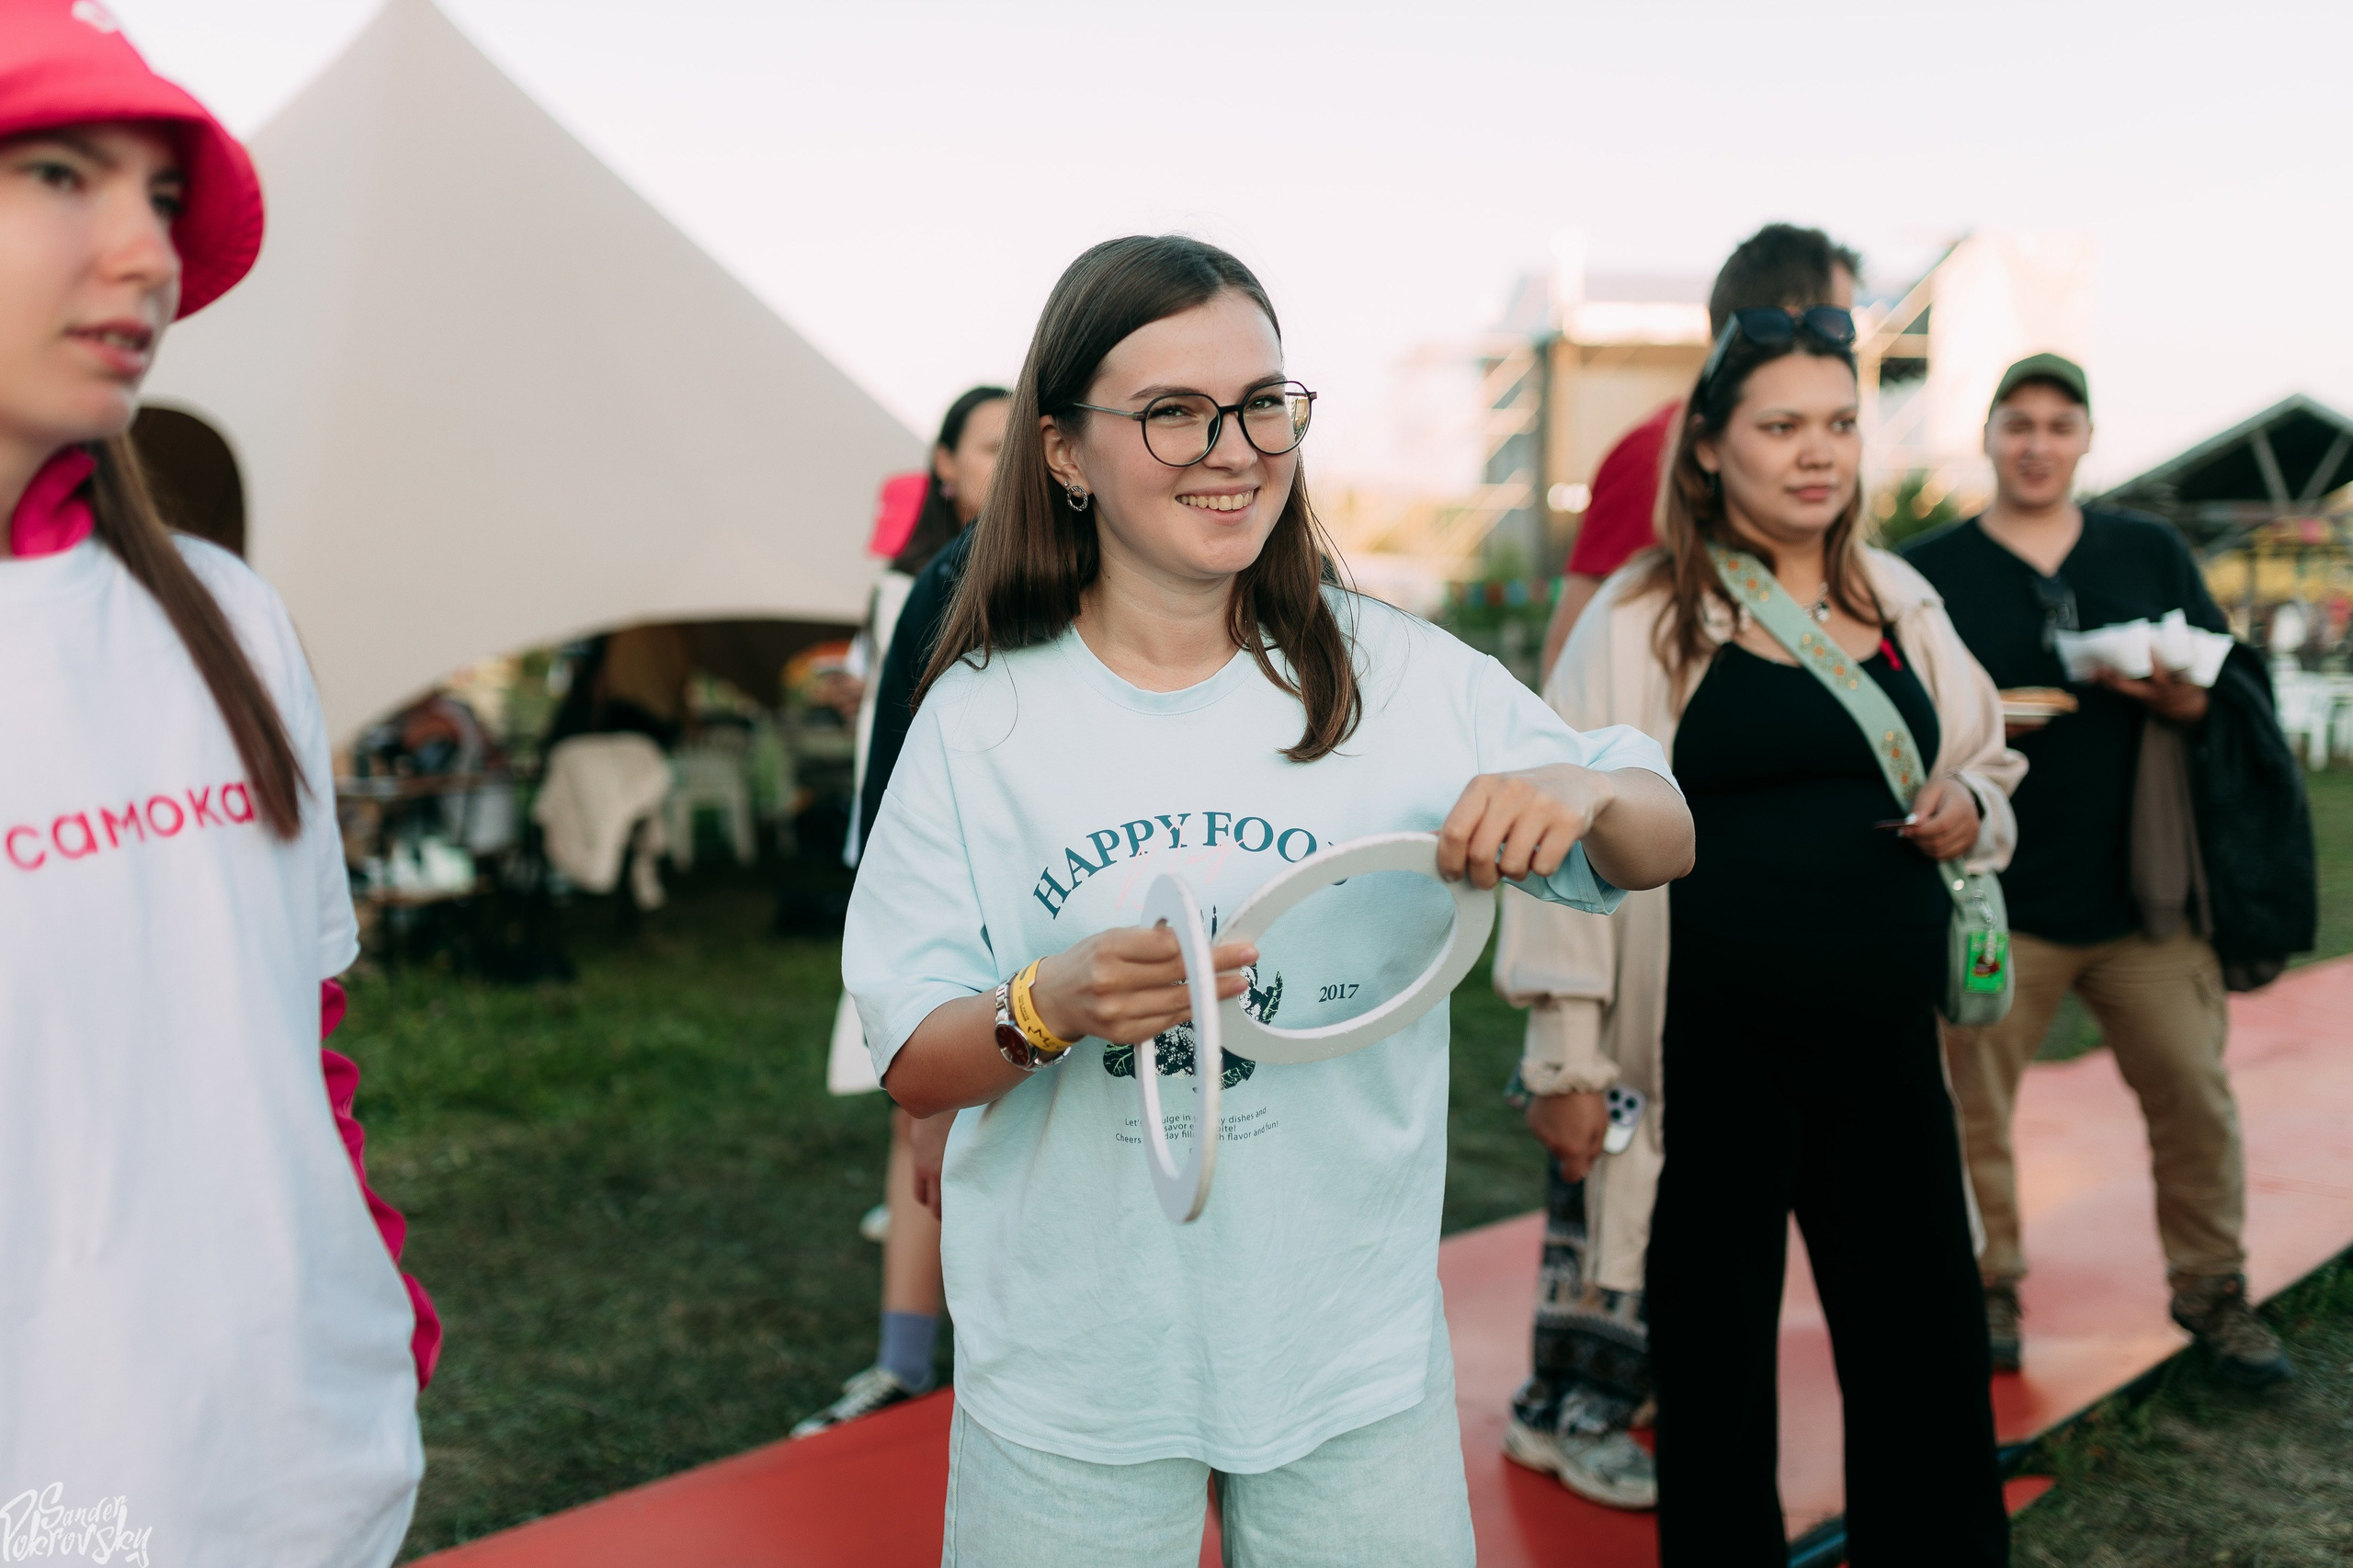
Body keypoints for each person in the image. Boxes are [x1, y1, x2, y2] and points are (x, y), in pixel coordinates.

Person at [844, 234, 1692, 1565]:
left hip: (1350, 1358)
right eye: (1173, 412)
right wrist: (1049, 1005)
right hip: (1075, 1372)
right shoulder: (982, 716)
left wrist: (1583, 791)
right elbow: (910, 1053)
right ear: (1064, 451)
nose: (1231, 448)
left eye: (1260, 403)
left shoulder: (1396, 674)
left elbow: (1663, 837)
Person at [0, 5, 433, 1563]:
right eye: (61, 173)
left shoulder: (228, 614)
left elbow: (302, 1032)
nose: (147, 254)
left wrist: (375, 1308)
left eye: (164, 196)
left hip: (307, 1479)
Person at [1541, 304, 2020, 1562]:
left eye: (1842, 424)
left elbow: (1987, 759)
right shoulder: (1637, 617)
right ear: (1708, 446)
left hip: (1887, 1051)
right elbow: (1564, 841)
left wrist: (1973, 804)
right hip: (1703, 1064)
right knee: (1711, 1380)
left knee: (1927, 1356)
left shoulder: (1901, 597)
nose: (1819, 452)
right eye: (1782, 425)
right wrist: (1564, 1056)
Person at [1492, 219, 1861, 1511]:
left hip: (1715, 904)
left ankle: (1627, 1387)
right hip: (1632, 850)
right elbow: (1582, 639)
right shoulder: (1658, 451)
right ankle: (1573, 1401)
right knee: (1608, 1141)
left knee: (1664, 1176)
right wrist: (1590, 777)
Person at [1901, 354, 2309, 1385]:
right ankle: (1986, 1282)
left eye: (2058, 425)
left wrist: (2189, 700)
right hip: (1993, 900)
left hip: (2145, 899)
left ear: (2085, 440)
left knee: (2195, 1096)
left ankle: (2211, 1288)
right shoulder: (1926, 572)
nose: (2036, 444)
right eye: (2018, 424)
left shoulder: (2148, 551)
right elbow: (1889, 709)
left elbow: (2231, 680)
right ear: (1989, 437)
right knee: (1968, 1107)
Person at [797, 383, 1008, 1438]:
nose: (1013, 460)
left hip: (1022, 887)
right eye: (990, 444)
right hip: (925, 878)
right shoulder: (917, 588)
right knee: (920, 1106)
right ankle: (904, 1358)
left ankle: (1001, 1345)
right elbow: (894, 759)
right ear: (946, 466)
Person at [1535, 224, 1862, 681]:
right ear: (1793, 321)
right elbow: (1574, 654)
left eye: (1842, 425)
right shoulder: (1653, 454)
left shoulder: (1896, 595)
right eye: (1836, 321)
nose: (1843, 344)